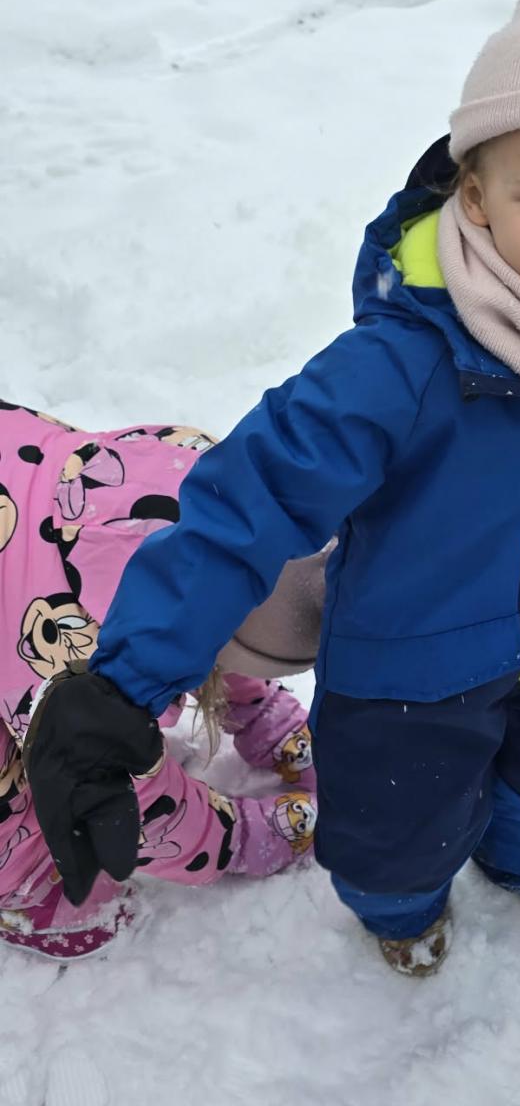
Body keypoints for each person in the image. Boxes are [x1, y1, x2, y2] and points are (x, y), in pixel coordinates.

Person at [24, 0, 520, 976]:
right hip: (407, 672)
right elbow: (243, 508)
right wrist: (121, 687)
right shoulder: (397, 369)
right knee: (395, 828)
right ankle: (403, 913)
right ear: (475, 198)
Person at [0, 400, 322, 959]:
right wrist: (246, 837)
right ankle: (21, 881)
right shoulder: (69, 672)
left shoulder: (196, 474)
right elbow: (133, 803)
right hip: (30, 623)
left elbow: (219, 603)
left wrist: (260, 713)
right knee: (52, 787)